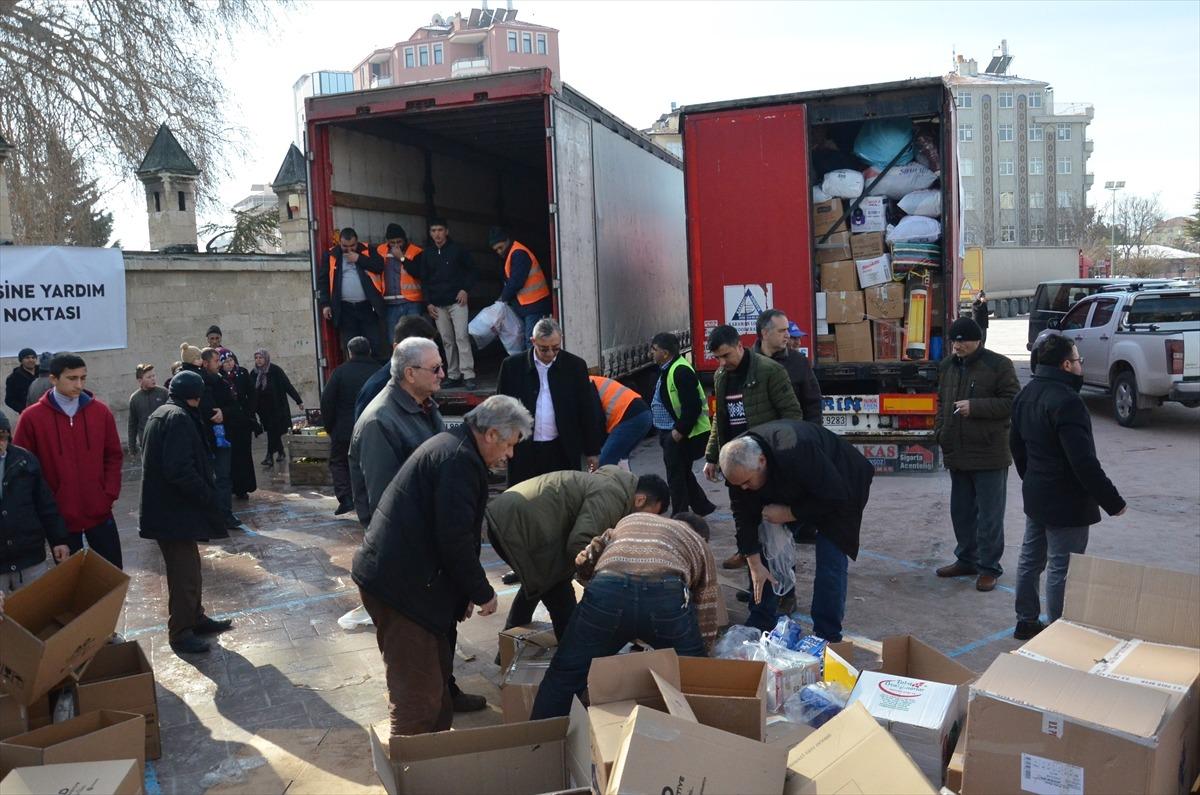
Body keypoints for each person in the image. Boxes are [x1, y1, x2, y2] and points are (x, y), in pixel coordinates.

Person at [352, 395, 531, 736]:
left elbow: (450, 535)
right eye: (509, 445)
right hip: (401, 588)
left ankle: (435, 759)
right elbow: (455, 540)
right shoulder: (458, 461)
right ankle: (410, 770)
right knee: (417, 698)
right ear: (492, 434)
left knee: (436, 686)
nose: (510, 455)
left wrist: (460, 594)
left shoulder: (459, 449)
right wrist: (480, 592)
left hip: (416, 583)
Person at [529, 511, 719, 720]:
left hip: (608, 588)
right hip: (665, 595)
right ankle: (704, 741)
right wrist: (702, 654)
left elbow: (587, 555)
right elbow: (706, 605)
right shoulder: (698, 543)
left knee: (565, 674)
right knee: (693, 676)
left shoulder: (633, 519)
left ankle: (538, 745)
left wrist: (588, 582)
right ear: (702, 537)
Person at [1010, 335, 1125, 640]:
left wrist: (1033, 479)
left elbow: (1017, 448)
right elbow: (1083, 462)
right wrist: (1113, 501)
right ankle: (1057, 632)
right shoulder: (1068, 402)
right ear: (1065, 364)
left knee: (1030, 559)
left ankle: (1026, 620)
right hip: (1066, 500)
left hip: (1037, 494)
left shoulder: (1028, 393)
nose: (1079, 365)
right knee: (1063, 567)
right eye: (1077, 360)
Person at [718, 421, 873, 641]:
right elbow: (743, 518)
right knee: (766, 547)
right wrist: (754, 564)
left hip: (842, 485)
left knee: (830, 561)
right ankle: (761, 618)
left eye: (746, 482)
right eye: (737, 485)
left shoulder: (797, 451)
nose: (743, 488)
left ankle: (826, 635)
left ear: (762, 461)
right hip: (796, 485)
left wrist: (790, 513)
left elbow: (835, 497)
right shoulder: (739, 464)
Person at [485, 468, 670, 640]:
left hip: (515, 519)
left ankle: (508, 651)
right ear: (640, 500)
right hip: (517, 524)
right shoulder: (612, 495)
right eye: (647, 516)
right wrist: (608, 581)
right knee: (561, 600)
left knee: (538, 583)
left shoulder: (617, 486)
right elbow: (580, 544)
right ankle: (569, 664)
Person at [137, 370, 232, 655]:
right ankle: (181, 632)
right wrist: (207, 494)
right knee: (183, 575)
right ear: (196, 395)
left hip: (171, 512)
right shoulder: (177, 418)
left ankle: (195, 618)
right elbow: (179, 469)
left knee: (190, 568)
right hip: (172, 513)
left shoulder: (164, 412)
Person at [701, 324, 804, 578]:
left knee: (774, 532)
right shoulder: (722, 377)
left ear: (739, 345)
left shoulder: (770, 371)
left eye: (726, 355)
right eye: (717, 358)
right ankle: (757, 587)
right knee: (746, 527)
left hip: (764, 467)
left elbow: (792, 416)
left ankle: (784, 590)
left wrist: (778, 459)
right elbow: (720, 420)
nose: (723, 362)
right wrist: (712, 456)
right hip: (736, 466)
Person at [933, 317, 1020, 592]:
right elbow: (941, 403)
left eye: (963, 340)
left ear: (977, 340)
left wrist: (977, 407)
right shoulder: (947, 366)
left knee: (990, 515)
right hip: (957, 452)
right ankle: (967, 559)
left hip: (988, 453)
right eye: (954, 340)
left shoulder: (998, 365)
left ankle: (989, 567)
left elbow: (1013, 402)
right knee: (961, 512)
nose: (957, 345)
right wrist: (940, 432)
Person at [13, 353, 124, 568]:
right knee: (71, 582)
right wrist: (43, 505)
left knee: (112, 574)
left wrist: (109, 492)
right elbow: (23, 467)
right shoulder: (31, 418)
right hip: (59, 516)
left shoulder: (100, 412)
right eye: (72, 378)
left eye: (83, 378)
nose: (79, 384)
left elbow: (113, 455)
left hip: (99, 510)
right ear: (53, 379)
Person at [497, 318, 603, 487]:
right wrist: (500, 447)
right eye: (544, 349)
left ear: (561, 340)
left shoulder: (575, 366)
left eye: (556, 348)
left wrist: (592, 451)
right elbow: (502, 412)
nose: (550, 354)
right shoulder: (512, 367)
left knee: (564, 500)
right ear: (533, 342)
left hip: (562, 450)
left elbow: (586, 410)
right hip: (524, 451)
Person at [350, 337, 446, 524]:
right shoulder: (379, 422)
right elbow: (383, 502)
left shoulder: (427, 406)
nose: (442, 374)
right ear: (410, 374)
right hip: (404, 540)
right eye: (435, 368)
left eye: (441, 366)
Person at [0, 412, 69, 610]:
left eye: (2, 436)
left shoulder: (25, 461)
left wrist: (59, 540)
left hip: (29, 554)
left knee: (39, 613)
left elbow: (45, 503)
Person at [649, 333, 716, 517]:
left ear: (664, 353)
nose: (651, 353)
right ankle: (703, 506)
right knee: (683, 472)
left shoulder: (680, 371)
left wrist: (677, 433)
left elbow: (692, 406)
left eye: (654, 350)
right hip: (674, 431)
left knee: (676, 475)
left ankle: (680, 515)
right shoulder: (668, 369)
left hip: (685, 433)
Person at [405, 218, 476, 389]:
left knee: (461, 337)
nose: (437, 234)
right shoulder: (427, 254)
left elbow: (472, 270)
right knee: (446, 340)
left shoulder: (458, 250)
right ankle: (453, 374)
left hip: (457, 302)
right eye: (433, 230)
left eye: (440, 230)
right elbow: (424, 279)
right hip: (438, 304)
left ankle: (468, 374)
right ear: (430, 233)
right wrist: (428, 303)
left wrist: (465, 289)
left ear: (447, 231)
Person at [320, 336, 378, 515]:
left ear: (349, 352)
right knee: (371, 463)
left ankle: (345, 499)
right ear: (369, 351)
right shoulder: (379, 371)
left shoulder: (340, 372)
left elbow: (327, 401)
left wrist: (330, 426)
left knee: (339, 462)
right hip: (373, 428)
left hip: (344, 429)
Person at [354, 314, 439, 421]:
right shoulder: (375, 390)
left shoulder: (425, 381)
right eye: (422, 351)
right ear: (397, 349)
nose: (441, 374)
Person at [317, 227, 387, 356]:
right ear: (339, 243)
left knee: (375, 344)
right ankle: (355, 373)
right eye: (345, 246)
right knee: (350, 346)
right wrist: (325, 304)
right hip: (345, 308)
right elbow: (323, 281)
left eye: (352, 246)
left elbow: (379, 266)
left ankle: (374, 373)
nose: (349, 249)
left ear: (357, 242)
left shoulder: (368, 250)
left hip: (367, 306)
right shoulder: (331, 255)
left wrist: (358, 258)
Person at [754, 309, 822, 422]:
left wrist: (812, 434)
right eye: (781, 331)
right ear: (765, 333)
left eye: (787, 330)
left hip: (791, 435)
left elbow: (813, 404)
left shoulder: (799, 362)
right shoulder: (749, 363)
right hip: (758, 435)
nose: (787, 335)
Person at [489, 227, 551, 347]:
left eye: (500, 247)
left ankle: (533, 365)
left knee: (531, 340)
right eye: (496, 250)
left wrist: (502, 298)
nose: (499, 252)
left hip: (534, 305)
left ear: (507, 240)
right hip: (527, 306)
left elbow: (516, 281)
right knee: (529, 339)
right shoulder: (512, 253)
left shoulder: (518, 253)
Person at [198, 347, 239, 529]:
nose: (220, 364)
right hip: (203, 438)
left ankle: (225, 514)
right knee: (205, 479)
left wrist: (224, 412)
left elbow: (234, 406)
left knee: (223, 477)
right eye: (216, 361)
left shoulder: (222, 382)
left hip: (222, 438)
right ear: (206, 363)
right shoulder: (197, 383)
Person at [252, 349, 304, 467]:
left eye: (261, 358)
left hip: (277, 408)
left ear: (266, 358)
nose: (258, 360)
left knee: (272, 431)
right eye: (256, 358)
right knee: (272, 431)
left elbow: (287, 386)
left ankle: (269, 456)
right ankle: (280, 451)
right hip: (262, 410)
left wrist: (298, 401)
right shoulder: (254, 373)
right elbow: (251, 391)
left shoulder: (275, 371)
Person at [219, 350, 257, 500]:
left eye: (230, 360)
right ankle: (233, 486)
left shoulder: (242, 373)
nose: (229, 364)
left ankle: (244, 487)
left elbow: (252, 393)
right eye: (225, 361)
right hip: (228, 422)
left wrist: (250, 412)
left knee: (244, 454)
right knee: (231, 456)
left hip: (243, 420)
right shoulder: (219, 378)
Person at [590, 375, 652, 467]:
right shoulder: (589, 380)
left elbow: (597, 420)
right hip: (641, 413)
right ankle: (628, 481)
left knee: (604, 463)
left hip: (631, 416)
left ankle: (615, 480)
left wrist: (594, 449)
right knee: (620, 459)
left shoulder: (585, 385)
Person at [376, 223, 425, 336]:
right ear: (387, 241)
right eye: (392, 242)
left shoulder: (416, 251)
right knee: (394, 338)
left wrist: (401, 258)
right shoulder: (380, 250)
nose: (396, 245)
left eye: (399, 242)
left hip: (412, 301)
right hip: (390, 302)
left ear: (404, 239)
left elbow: (419, 272)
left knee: (415, 337)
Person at [127, 363, 168, 459]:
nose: (153, 378)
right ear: (140, 380)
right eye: (149, 377)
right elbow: (132, 424)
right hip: (146, 444)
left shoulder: (163, 393)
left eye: (154, 375)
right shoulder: (135, 398)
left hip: (165, 441)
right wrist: (132, 447)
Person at [5, 347, 37, 416]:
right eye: (27, 358)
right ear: (21, 360)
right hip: (28, 415)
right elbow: (9, 400)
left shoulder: (43, 373)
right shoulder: (13, 378)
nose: (31, 360)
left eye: (33, 357)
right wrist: (24, 409)